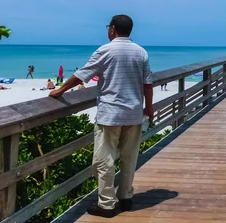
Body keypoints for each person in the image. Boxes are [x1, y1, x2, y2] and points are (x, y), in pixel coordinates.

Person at [49, 15, 153, 218]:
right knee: (129, 157)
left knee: (104, 160)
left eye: (108, 27)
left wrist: (60, 91)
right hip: (133, 113)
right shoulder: (141, 52)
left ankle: (106, 204)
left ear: (112, 29)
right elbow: (147, 84)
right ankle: (125, 197)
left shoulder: (105, 50)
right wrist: (149, 108)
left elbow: (82, 75)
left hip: (110, 114)